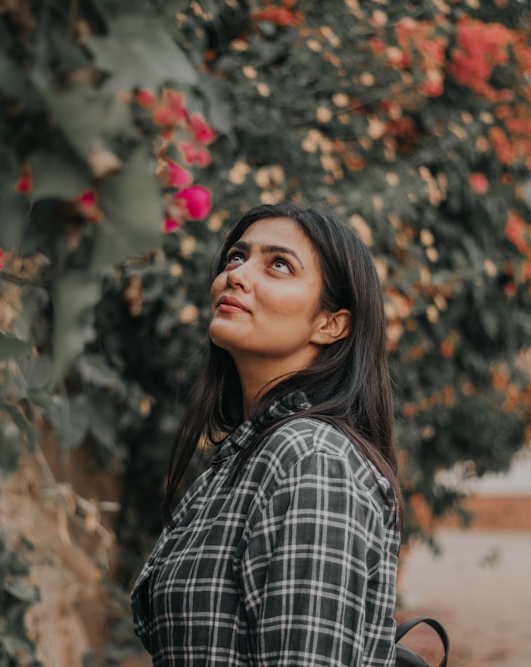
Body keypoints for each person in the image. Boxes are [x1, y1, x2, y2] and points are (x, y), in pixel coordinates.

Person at [131, 203, 401, 666]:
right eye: (237, 257)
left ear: (331, 323)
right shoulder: (247, 456)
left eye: (279, 264)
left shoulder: (313, 460)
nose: (236, 275)